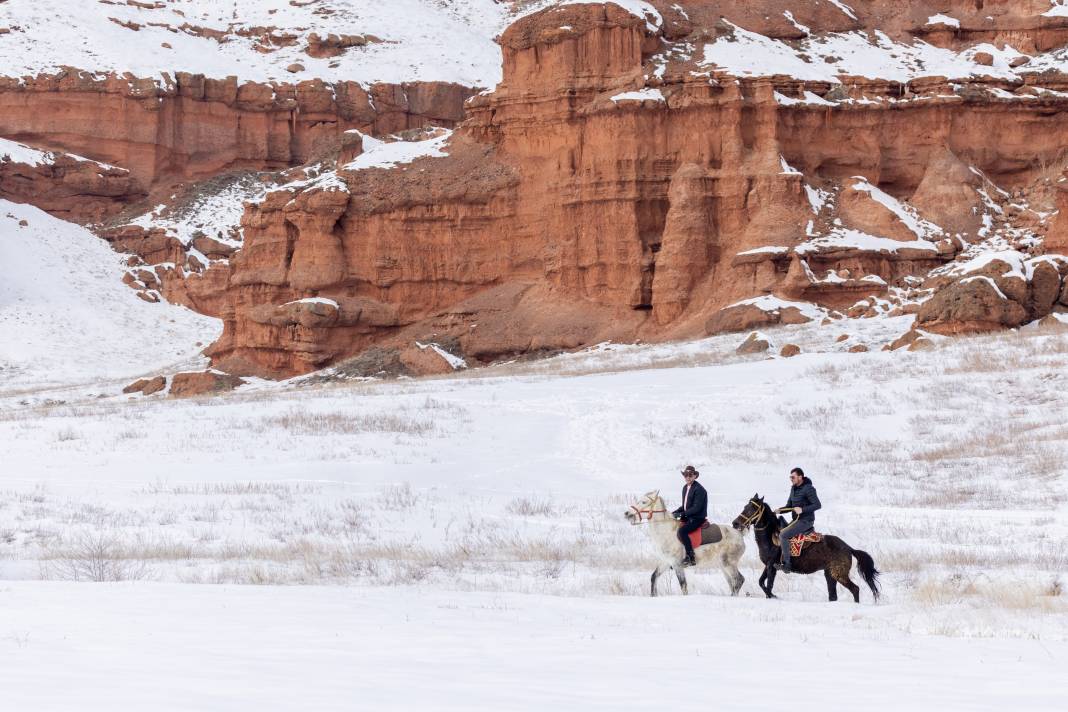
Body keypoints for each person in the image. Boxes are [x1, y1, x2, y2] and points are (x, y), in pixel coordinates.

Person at [776, 467, 821, 574]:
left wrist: (802, 509)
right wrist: (779, 511)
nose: (791, 479)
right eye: (790, 477)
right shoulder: (793, 489)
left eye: (793, 477)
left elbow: (817, 505)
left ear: (800, 477)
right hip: (796, 520)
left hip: (806, 521)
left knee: (783, 535)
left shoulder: (809, 488)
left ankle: (787, 564)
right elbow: (789, 506)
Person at [671, 465, 707, 567]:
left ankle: (690, 557)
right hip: (688, 516)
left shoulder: (700, 490)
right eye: (686, 475)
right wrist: (674, 513)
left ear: (695, 476)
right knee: (673, 522)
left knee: (682, 531)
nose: (688, 477)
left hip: (697, 518)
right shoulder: (685, 488)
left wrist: (681, 514)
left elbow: (696, 508)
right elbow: (685, 506)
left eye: (690, 475)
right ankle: (675, 556)